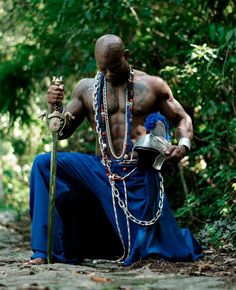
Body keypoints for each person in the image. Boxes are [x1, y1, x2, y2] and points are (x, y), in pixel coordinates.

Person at [28, 34, 202, 265]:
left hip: (138, 170)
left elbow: (182, 119)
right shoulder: (86, 89)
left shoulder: (152, 85)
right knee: (44, 162)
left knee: (154, 250)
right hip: (101, 168)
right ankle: (43, 251)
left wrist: (183, 146)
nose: (108, 74)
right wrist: (54, 107)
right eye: (102, 68)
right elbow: (61, 132)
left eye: (113, 67)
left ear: (126, 55)